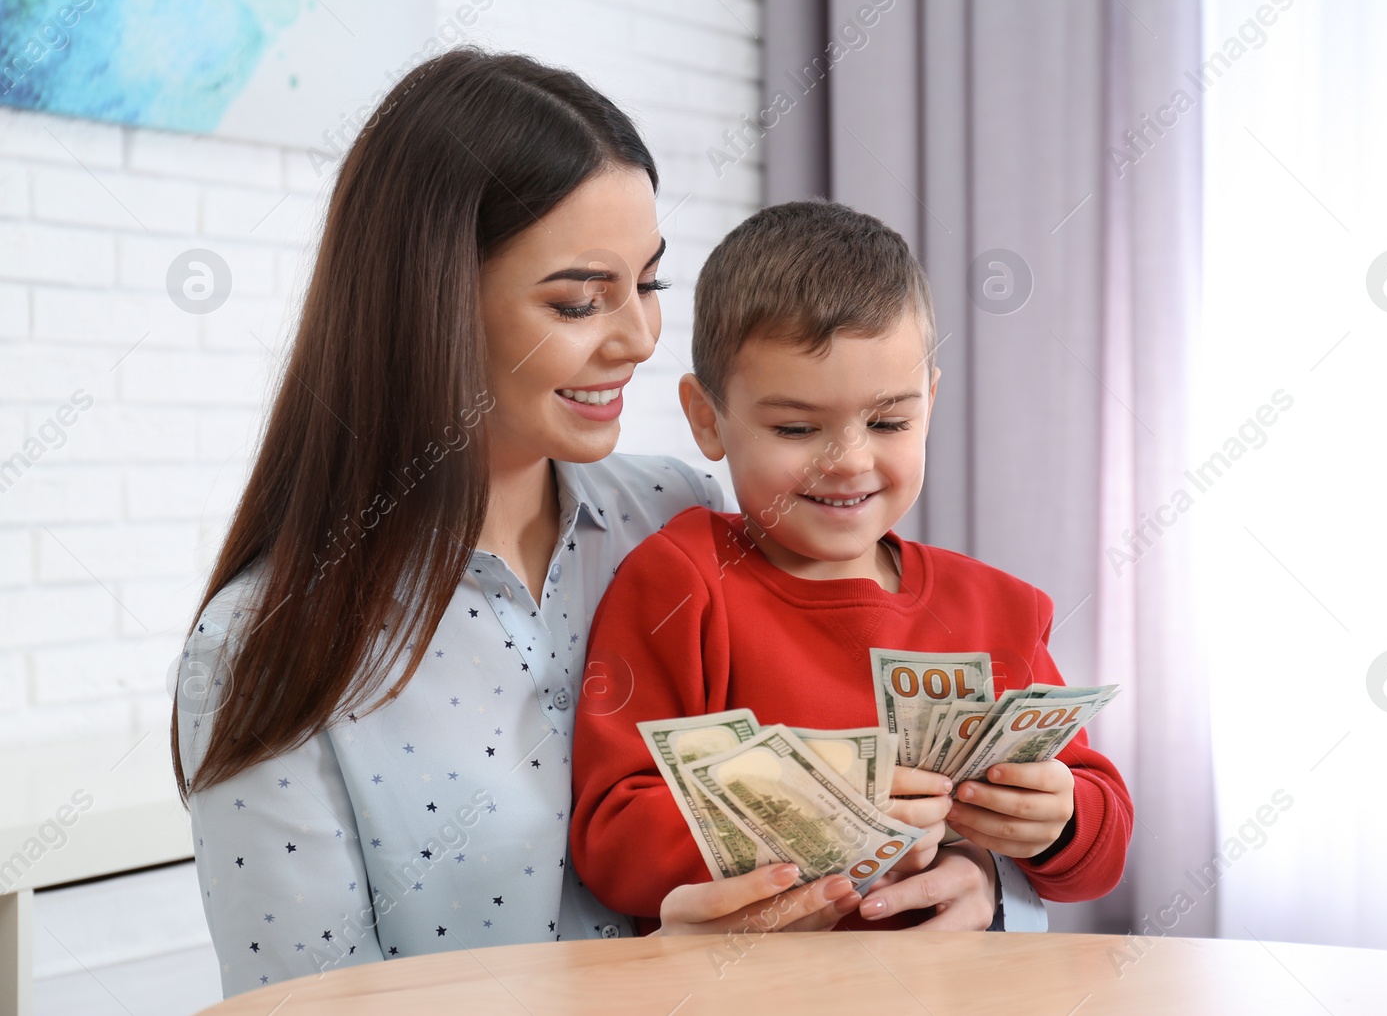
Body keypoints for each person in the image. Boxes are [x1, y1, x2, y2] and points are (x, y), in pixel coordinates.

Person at [171, 51, 1015, 1000]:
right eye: (579, 300)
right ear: (431, 304)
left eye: (648, 285)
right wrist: (648, 966)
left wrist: (975, 880)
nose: (641, 338)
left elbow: (899, 777)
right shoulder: (263, 648)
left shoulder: (689, 519)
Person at [570, 201, 1135, 930]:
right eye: (797, 427)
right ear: (708, 418)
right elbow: (612, 835)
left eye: (889, 422)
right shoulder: (681, 580)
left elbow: (1101, 837)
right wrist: (812, 813)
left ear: (929, 403)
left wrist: (1053, 821)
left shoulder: (998, 607)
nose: (849, 461)